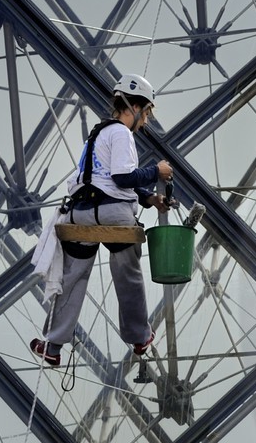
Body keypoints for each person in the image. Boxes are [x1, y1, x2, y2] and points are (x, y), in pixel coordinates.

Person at [30, 74, 173, 366]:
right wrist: (156, 171)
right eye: (145, 113)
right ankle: (139, 336)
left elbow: (102, 180)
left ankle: (53, 346)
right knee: (127, 273)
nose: (145, 122)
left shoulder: (95, 136)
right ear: (133, 107)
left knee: (73, 276)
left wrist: (148, 198)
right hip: (114, 215)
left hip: (81, 211)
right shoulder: (122, 133)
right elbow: (122, 178)